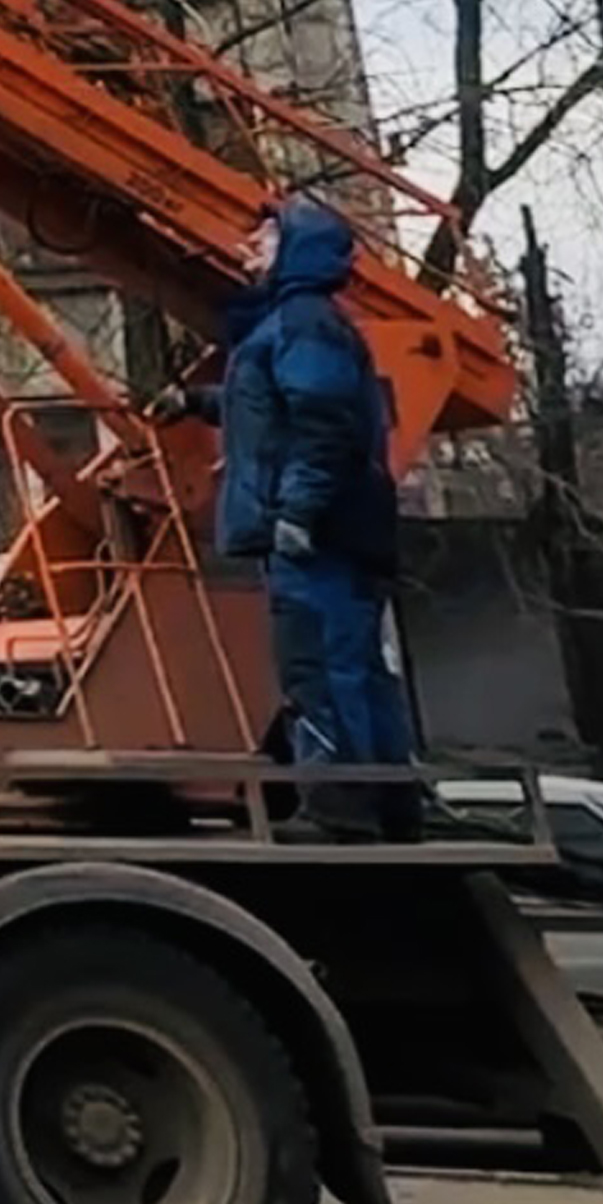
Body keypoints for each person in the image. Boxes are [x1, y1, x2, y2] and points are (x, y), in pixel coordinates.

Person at [212, 192, 417, 836]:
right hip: (340, 531)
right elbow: (276, 404)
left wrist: (297, 513)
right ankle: (391, 804)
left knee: (322, 666)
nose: (251, 250)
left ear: (297, 250)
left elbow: (320, 425)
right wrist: (198, 402)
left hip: (319, 536)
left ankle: (340, 810)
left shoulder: (301, 321)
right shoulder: (300, 325)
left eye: (265, 239)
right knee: (353, 666)